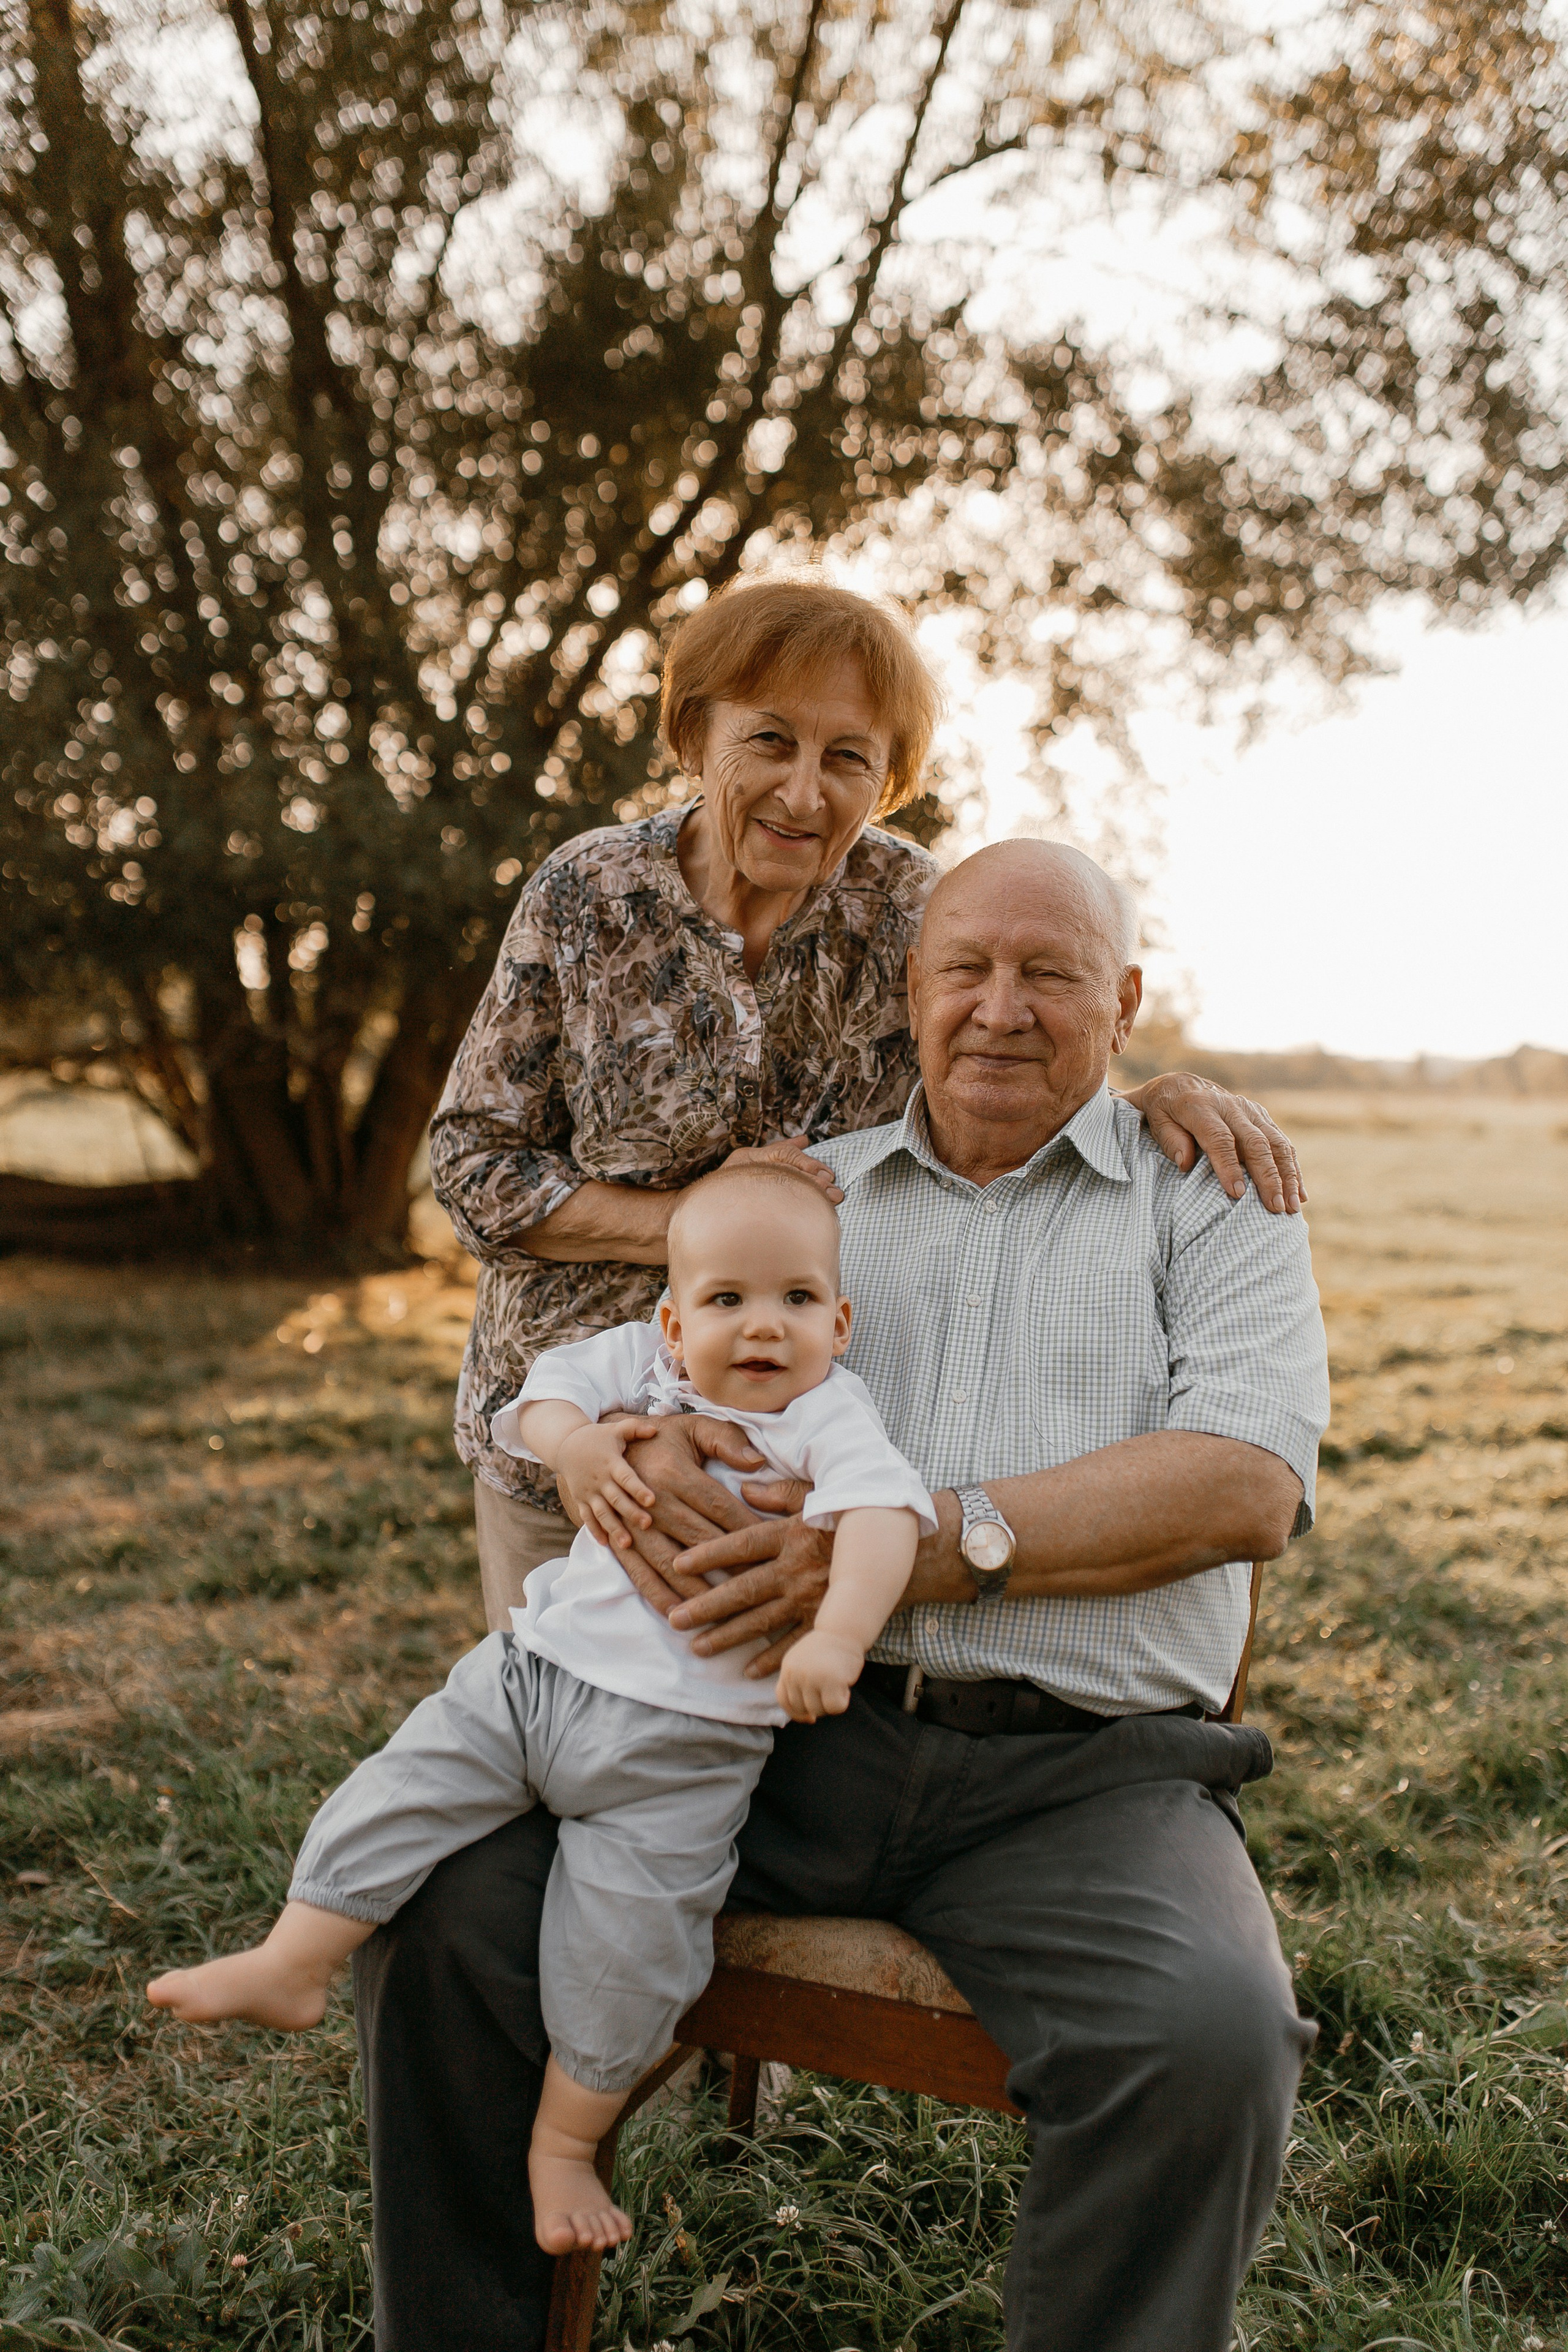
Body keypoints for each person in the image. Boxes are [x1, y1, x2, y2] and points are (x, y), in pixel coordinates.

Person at [355, 835, 1330, 2352]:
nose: (998, 1009)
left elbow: (1244, 1485)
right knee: (444, 1898)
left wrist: (930, 1543)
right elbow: (644, 1379)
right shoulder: (808, 1208)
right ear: (910, 990)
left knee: (1205, 2040)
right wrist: (640, 1449)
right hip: (759, 1738)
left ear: (1125, 1000)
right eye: (964, 970)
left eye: (1051, 975)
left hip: (1083, 1776)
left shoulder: (1207, 1198)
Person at [429, 570, 1308, 1638]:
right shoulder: (587, 895)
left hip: (791, 1443)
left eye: (849, 758)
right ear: (695, 736)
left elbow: (1004, 1033)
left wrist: (1147, 1089)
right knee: (554, 1707)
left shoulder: (905, 907)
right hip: (572, 1435)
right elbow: (473, 1167)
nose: (805, 795)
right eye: (770, 742)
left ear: (887, 780)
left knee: (750, 1723)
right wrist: (701, 1223)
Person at [145, 1162, 931, 2262]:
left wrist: (837, 1635)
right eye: (727, 1299)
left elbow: (884, 1519)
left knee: (630, 1958)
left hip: (684, 1755)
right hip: (533, 1680)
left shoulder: (828, 1415)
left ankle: (563, 2146)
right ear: (674, 1322)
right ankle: (296, 1956)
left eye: (797, 1299)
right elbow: (546, 1391)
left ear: (838, 1324)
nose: (764, 1326)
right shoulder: (643, 1368)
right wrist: (576, 1443)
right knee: (407, 1784)